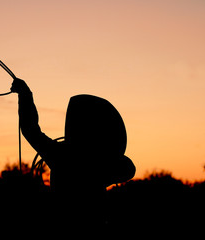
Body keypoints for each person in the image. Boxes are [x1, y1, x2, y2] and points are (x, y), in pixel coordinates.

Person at [10, 78, 135, 230]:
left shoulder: (61, 155)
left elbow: (30, 129)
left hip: (65, 224)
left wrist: (25, 95)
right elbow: (127, 169)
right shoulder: (103, 160)